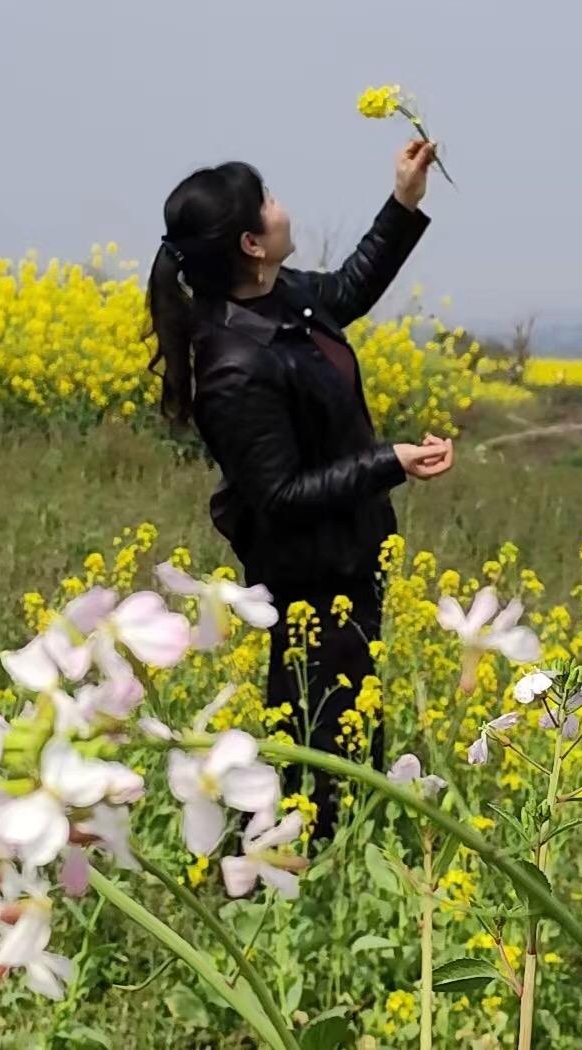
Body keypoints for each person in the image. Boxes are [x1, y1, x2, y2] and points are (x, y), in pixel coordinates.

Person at [147, 140, 455, 838]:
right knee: (321, 743)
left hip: (350, 552)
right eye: (270, 200)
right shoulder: (233, 365)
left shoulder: (278, 299)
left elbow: (346, 291)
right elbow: (279, 495)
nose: (283, 205)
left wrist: (404, 201)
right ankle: (295, 874)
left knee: (347, 732)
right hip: (310, 572)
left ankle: (325, 862)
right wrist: (390, 462)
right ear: (253, 242)